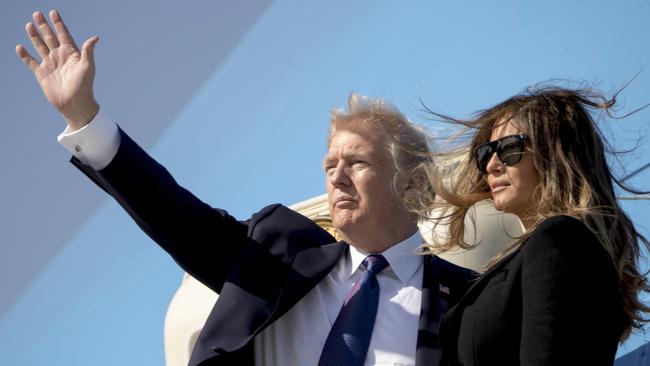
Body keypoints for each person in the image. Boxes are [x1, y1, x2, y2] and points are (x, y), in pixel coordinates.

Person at [16, 10, 476, 366]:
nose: (335, 177)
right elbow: (174, 214)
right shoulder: (278, 252)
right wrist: (84, 117)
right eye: (328, 164)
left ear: (412, 182)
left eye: (356, 163)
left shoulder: (473, 300)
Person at [419, 86, 650, 365]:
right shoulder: (548, 249)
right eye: (486, 152)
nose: (492, 164)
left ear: (554, 154)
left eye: (509, 148)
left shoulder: (559, 239)